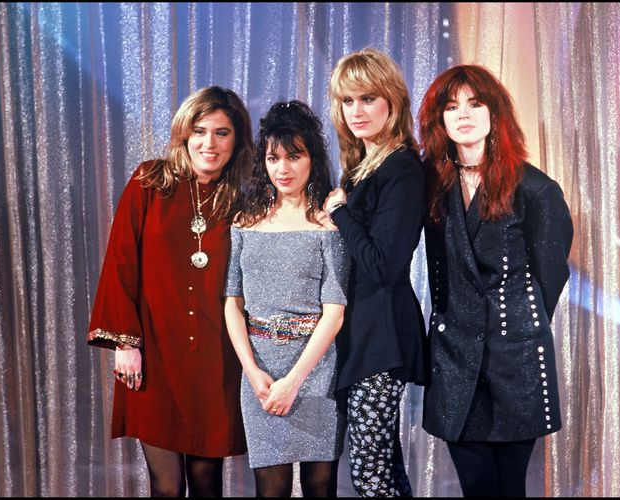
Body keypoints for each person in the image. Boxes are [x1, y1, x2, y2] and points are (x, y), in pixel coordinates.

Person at [87, 86, 254, 497]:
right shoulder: (150, 181)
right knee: (166, 484)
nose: (209, 143)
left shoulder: (245, 200)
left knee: (206, 479)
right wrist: (126, 343)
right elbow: (120, 262)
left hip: (217, 357)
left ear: (237, 140)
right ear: (184, 133)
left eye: (222, 132)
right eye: (200, 131)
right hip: (155, 353)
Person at [417, 64, 574, 497]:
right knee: (477, 487)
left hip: (514, 358)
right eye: (451, 107)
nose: (463, 114)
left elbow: (550, 274)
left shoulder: (535, 189)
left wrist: (516, 322)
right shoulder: (430, 183)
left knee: (510, 487)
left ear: (494, 113)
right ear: (440, 120)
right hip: (453, 356)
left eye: (474, 103)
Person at [223, 100, 349, 498]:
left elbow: (334, 312)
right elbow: (232, 302)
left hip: (317, 371)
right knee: (271, 488)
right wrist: (253, 373)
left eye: (295, 156)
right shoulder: (245, 222)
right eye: (274, 158)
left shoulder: (329, 224)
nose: (284, 168)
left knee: (319, 485)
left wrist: (294, 382)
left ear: (312, 159)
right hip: (259, 371)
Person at [323, 47, 426, 497]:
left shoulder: (401, 168)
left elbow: (384, 264)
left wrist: (342, 214)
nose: (356, 111)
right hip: (361, 333)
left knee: (370, 474)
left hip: (382, 337)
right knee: (382, 469)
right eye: (348, 101)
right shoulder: (362, 170)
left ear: (393, 102)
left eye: (367, 98)